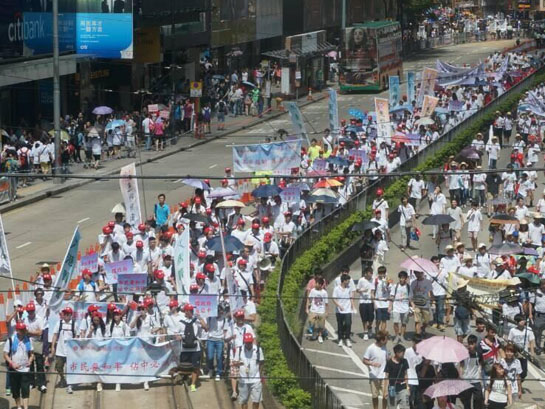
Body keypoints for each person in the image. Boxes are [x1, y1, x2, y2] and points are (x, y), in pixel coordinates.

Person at [4, 322, 34, 409]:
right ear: (17, 330)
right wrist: (12, 363)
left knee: (25, 389)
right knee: (15, 389)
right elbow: (5, 355)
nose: (23, 331)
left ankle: (25, 407)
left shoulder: (28, 340)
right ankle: (18, 406)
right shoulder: (11, 340)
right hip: (14, 369)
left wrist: (30, 360)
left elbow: (31, 354)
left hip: (25, 369)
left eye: (24, 329)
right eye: (21, 330)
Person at [179, 303, 208, 392]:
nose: (191, 312)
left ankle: (193, 384)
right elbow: (177, 333)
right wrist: (178, 336)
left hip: (196, 349)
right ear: (186, 311)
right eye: (189, 310)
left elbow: (206, 328)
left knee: (195, 367)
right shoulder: (180, 321)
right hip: (184, 348)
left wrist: (200, 318)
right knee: (184, 367)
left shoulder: (196, 321)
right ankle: (186, 378)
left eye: (192, 310)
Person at [231, 332, 264, 409]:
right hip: (243, 380)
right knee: (244, 401)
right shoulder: (239, 350)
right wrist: (238, 363)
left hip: (255, 380)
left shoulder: (258, 349)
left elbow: (261, 362)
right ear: (244, 342)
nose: (248, 344)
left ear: (252, 341)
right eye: (247, 342)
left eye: (250, 342)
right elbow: (234, 362)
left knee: (256, 401)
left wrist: (260, 375)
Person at [50, 306, 76, 393]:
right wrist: (53, 346)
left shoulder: (74, 324)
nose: (66, 315)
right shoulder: (59, 323)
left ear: (70, 315)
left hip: (70, 351)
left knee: (69, 368)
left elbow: (77, 336)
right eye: (65, 314)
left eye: (68, 314)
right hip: (60, 351)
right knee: (58, 367)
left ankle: (69, 385)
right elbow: (55, 335)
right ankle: (62, 378)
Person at [23, 302, 46, 393]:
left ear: (34, 311)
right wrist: (32, 332)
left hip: (37, 342)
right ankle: (31, 382)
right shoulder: (25, 319)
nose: (30, 313)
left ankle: (42, 383)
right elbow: (24, 332)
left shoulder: (39, 319)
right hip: (28, 343)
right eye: (29, 312)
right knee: (30, 364)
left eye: (32, 311)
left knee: (40, 364)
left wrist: (29, 333)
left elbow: (40, 332)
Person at [362, 330, 389, 409]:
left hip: (384, 375)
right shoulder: (371, 348)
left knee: (385, 395)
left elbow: (386, 358)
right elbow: (364, 360)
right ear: (381, 340)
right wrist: (372, 364)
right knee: (375, 395)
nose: (387, 341)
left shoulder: (384, 347)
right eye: (386, 339)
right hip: (374, 375)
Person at [458, 335, 483, 409]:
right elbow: (461, 365)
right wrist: (461, 376)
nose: (470, 346)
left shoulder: (478, 353)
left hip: (476, 380)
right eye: (469, 344)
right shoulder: (464, 354)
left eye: (472, 344)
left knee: (478, 398)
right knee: (466, 401)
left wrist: (479, 373)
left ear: (475, 343)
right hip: (466, 380)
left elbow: (480, 363)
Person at [332, 273, 355, 347]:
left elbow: (351, 298)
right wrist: (339, 306)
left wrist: (352, 306)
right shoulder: (336, 289)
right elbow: (334, 299)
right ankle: (340, 339)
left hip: (347, 309)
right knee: (340, 324)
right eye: (347, 280)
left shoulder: (349, 288)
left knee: (348, 323)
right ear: (343, 281)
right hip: (339, 310)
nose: (348, 282)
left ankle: (347, 338)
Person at [383, 344, 409, 409]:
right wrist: (385, 390)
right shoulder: (389, 362)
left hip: (403, 388)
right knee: (392, 407)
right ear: (397, 353)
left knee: (406, 407)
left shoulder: (404, 361)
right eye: (402, 353)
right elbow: (387, 376)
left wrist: (407, 387)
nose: (403, 355)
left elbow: (406, 374)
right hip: (392, 389)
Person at [389, 271, 411, 342]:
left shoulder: (408, 287)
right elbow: (392, 296)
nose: (402, 279)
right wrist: (390, 306)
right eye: (401, 278)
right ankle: (396, 336)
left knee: (404, 323)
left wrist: (413, 307)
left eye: (403, 278)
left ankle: (402, 336)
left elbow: (410, 298)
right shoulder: (395, 286)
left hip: (405, 308)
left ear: (406, 278)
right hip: (396, 308)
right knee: (395, 323)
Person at [410, 270, 433, 336]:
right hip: (416, 304)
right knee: (417, 321)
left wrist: (431, 301)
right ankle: (418, 335)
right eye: (416, 273)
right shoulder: (413, 283)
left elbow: (430, 292)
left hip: (425, 305)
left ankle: (423, 328)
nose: (418, 274)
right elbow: (411, 295)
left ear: (422, 273)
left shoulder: (428, 282)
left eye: (420, 273)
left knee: (427, 321)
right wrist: (412, 304)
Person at [306, 277, 328, 343]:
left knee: (320, 325)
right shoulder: (313, 290)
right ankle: (315, 332)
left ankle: (320, 335)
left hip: (321, 311)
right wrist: (307, 308)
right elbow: (309, 299)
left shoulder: (324, 293)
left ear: (321, 285)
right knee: (311, 322)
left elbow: (326, 303)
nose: (315, 284)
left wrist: (327, 312)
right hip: (313, 310)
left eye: (317, 283)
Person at [357, 267, 374, 340]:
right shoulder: (361, 280)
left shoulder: (372, 280)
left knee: (371, 318)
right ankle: (365, 332)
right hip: (363, 302)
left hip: (370, 302)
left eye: (372, 273)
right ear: (366, 273)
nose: (371, 275)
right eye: (370, 273)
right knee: (364, 319)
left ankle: (370, 327)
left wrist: (374, 301)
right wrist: (362, 291)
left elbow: (373, 291)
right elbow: (357, 290)